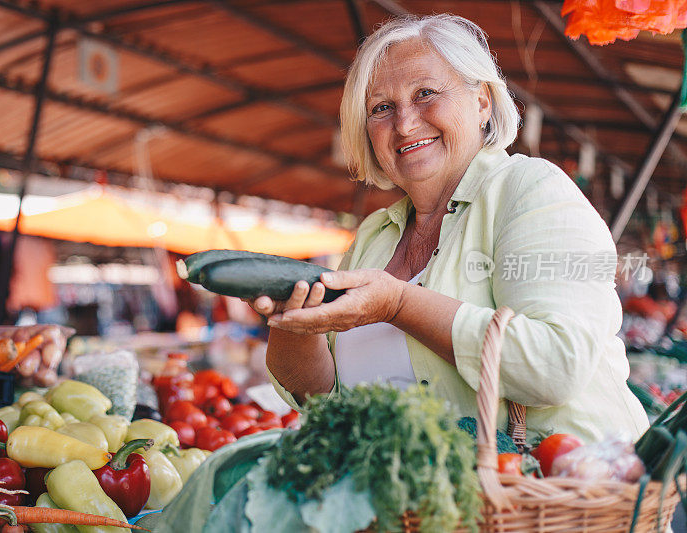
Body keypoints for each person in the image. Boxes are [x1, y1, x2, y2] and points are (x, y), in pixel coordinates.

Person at [254, 14, 648, 443]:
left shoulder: (531, 191)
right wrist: (294, 324)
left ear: (481, 102)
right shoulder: (374, 235)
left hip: (549, 496)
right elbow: (323, 399)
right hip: (415, 503)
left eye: (425, 94)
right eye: (382, 108)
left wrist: (399, 304)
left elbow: (553, 366)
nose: (404, 124)